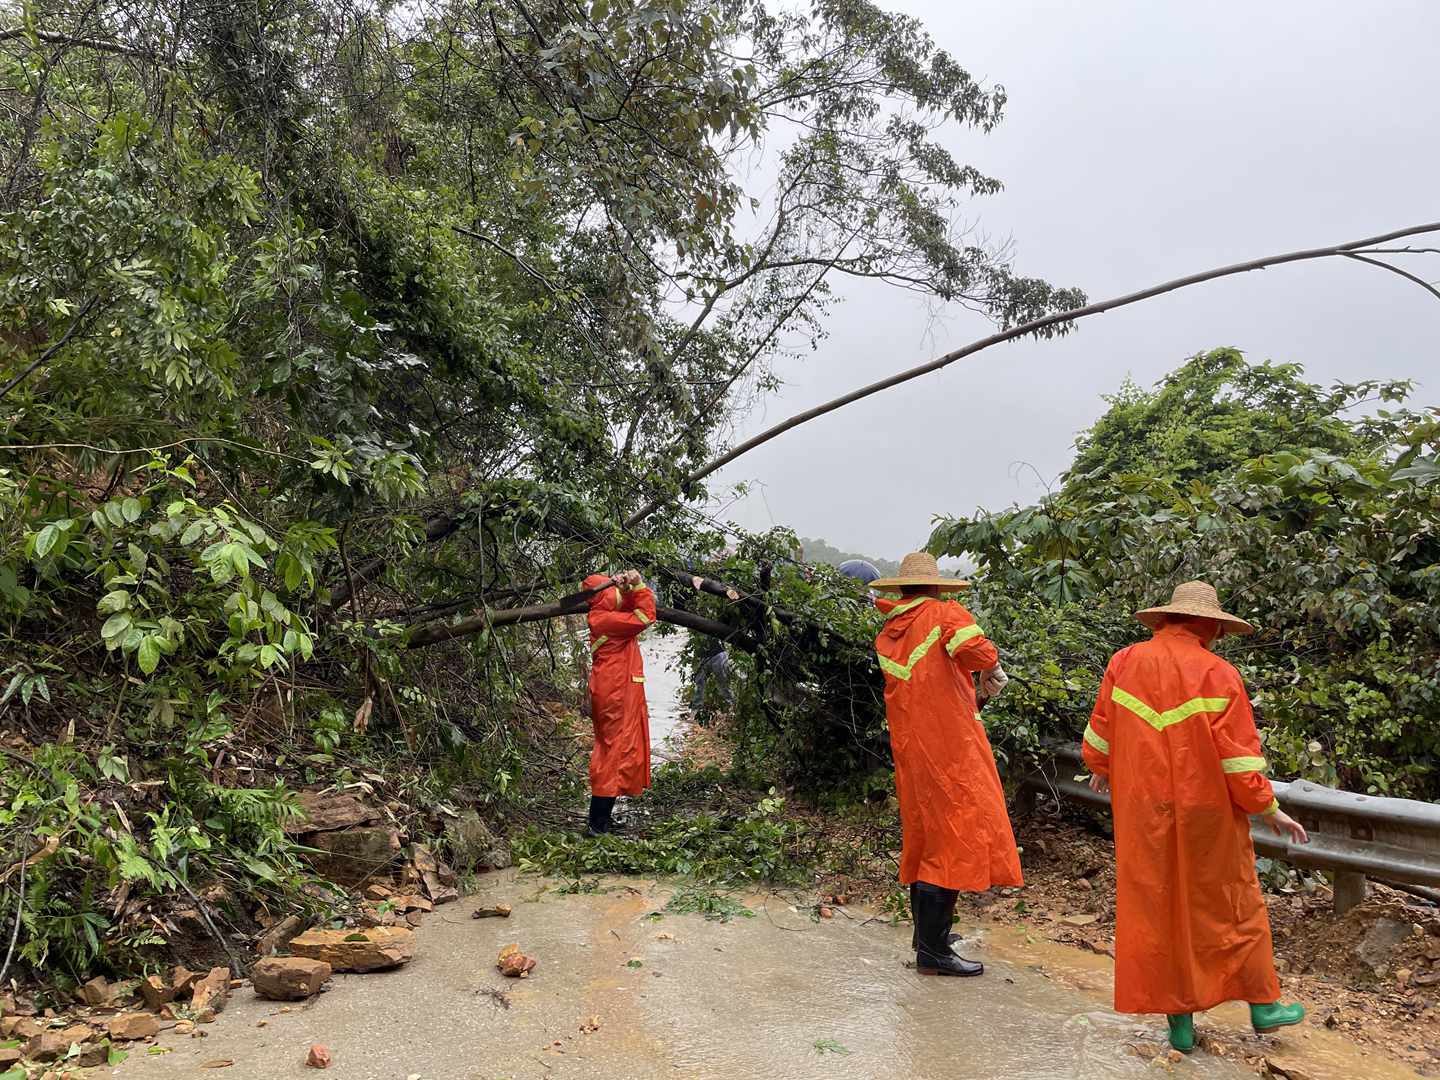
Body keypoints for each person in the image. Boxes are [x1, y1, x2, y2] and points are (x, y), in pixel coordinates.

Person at [1081, 581, 1309, 1053]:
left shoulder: (1124, 663)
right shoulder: (1219, 674)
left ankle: (1180, 1024)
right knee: (1232, 904)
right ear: (1208, 624)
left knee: (1157, 909)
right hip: (1207, 813)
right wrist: (1268, 807)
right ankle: (1264, 1005)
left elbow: (1100, 733)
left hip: (1143, 813)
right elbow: (1239, 760)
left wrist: (1101, 769)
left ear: (1165, 619)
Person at [871, 552, 1018, 977]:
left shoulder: (892, 631)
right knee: (953, 837)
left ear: (902, 589)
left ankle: (927, 936)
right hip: (950, 748)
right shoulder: (944, 613)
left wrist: (978, 686)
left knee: (925, 832)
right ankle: (933, 953)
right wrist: (993, 667)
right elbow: (974, 648)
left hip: (913, 749)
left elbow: (930, 684)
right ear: (935, 587)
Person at [582, 569, 656, 836]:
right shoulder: (605, 620)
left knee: (617, 751)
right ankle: (596, 825)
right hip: (615, 692)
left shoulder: (605, 615)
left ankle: (601, 821)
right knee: (611, 754)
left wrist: (626, 587)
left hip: (617, 689)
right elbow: (646, 615)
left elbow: (628, 605)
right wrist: (638, 585)